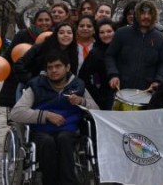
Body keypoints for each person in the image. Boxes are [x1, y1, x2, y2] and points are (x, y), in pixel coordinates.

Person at [10, 50, 99, 185]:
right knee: (47, 142)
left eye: (58, 66)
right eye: (50, 67)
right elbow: (16, 112)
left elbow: (96, 109)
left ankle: (68, 182)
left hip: (68, 130)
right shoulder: (36, 85)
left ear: (67, 67)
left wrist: (82, 101)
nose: (53, 70)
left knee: (64, 139)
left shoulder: (77, 85)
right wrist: (46, 115)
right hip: (41, 130)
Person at [105, 0, 163, 92]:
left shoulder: (160, 38)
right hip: (120, 89)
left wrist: (158, 80)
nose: (146, 16)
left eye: (149, 14)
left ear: (154, 16)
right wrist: (113, 74)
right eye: (143, 13)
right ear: (137, 15)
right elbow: (110, 55)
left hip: (146, 91)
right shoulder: (121, 33)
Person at [0, 8, 52, 108]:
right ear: (35, 22)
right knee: (19, 116)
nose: (44, 23)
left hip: (44, 84)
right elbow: (9, 56)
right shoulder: (23, 34)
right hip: (19, 82)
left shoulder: (54, 36)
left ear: (51, 21)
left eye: (47, 20)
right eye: (40, 20)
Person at [15, 21, 79, 85]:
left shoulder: (73, 53)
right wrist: (31, 80)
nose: (66, 35)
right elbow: (20, 64)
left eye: (69, 33)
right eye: (61, 33)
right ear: (55, 35)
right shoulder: (41, 47)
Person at [79, 18, 116, 110]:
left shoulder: (122, 49)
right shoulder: (95, 53)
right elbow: (83, 76)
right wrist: (97, 95)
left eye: (109, 31)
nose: (106, 35)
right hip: (106, 98)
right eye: (102, 32)